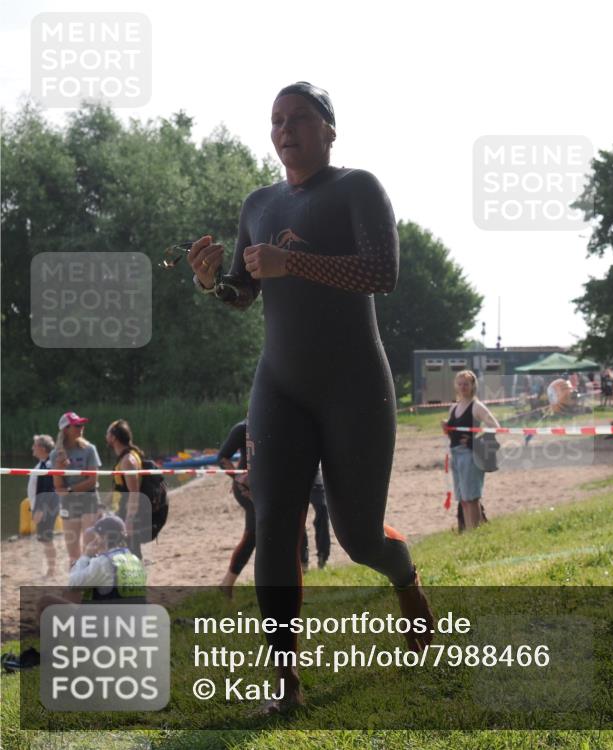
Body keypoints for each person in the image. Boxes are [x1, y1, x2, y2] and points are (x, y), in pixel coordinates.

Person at [185, 81, 432, 711]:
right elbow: (244, 293)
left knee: (358, 537)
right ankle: (286, 680)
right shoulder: (258, 205)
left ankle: (405, 579)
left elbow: (383, 273)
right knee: (273, 523)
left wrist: (296, 264)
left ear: (329, 128)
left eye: (299, 118)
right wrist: (215, 282)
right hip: (281, 386)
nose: (285, 130)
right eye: (275, 121)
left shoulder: (358, 188)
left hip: (354, 386)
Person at [441, 370, 501, 532]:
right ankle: (469, 532)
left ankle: (476, 533)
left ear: (472, 385)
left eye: (466, 384)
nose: (462, 387)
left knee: (472, 497)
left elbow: (495, 427)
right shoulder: (454, 407)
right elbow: (451, 432)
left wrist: (476, 440)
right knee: (463, 498)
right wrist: (446, 427)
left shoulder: (477, 406)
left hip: (470, 455)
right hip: (455, 454)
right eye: (460, 384)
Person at [51, 412, 101, 567]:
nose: (81, 427)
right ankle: (76, 586)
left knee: (90, 549)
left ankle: (92, 587)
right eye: (77, 425)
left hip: (89, 499)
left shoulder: (89, 449)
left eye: (82, 424)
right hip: (68, 504)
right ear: (65, 429)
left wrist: (71, 490)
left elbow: (92, 481)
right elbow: (59, 488)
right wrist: (59, 467)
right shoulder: (55, 455)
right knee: (73, 554)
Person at [217, 419, 255, 599]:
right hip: (246, 489)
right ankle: (227, 584)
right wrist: (237, 476)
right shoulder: (242, 428)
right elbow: (222, 457)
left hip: (268, 487)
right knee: (254, 533)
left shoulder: (274, 423)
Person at [106, 420, 148, 559]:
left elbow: (134, 492)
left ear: (113, 437)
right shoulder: (124, 457)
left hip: (130, 512)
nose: (105, 436)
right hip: (123, 510)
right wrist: (103, 504)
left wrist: (129, 520)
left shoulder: (128, 460)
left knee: (133, 553)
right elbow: (119, 486)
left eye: (108, 432)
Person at [29, 435, 58, 578]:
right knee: (45, 539)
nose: (32, 448)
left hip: (46, 507)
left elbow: (48, 489)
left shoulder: (48, 465)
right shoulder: (42, 464)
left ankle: (51, 570)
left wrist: (40, 509)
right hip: (40, 506)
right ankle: (51, 568)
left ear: (41, 447)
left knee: (47, 539)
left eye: (34, 445)